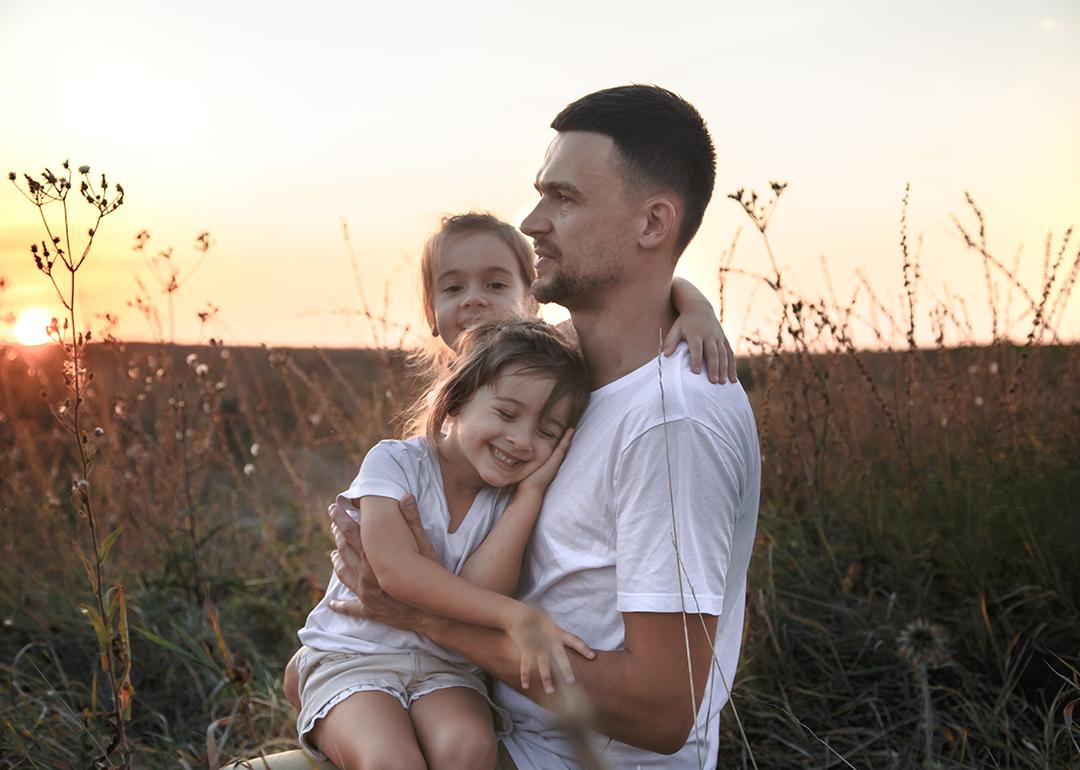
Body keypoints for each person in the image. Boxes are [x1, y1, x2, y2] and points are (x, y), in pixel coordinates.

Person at [329, 84, 761, 769]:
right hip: (478, 723)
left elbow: (664, 710)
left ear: (653, 224)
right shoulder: (560, 374)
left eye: (564, 199)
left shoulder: (671, 426)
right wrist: (689, 296)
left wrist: (425, 618)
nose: (532, 222)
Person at [294, 319, 594, 770]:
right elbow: (395, 573)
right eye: (507, 414)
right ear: (458, 399)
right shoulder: (395, 461)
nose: (521, 440)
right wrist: (517, 616)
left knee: (470, 750)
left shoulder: (509, 499)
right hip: (356, 658)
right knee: (390, 760)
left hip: (445, 669)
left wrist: (530, 494)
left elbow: (479, 587)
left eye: (547, 433)